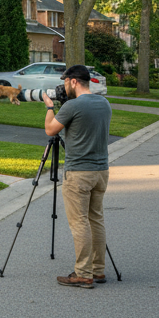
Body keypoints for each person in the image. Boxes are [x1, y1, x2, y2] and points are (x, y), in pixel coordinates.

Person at [43, 65, 113, 289]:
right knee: (96, 219)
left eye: (65, 82)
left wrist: (49, 107)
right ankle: (98, 270)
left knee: (79, 222)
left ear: (73, 81)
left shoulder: (72, 106)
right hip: (101, 171)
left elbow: (50, 130)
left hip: (79, 173)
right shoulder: (104, 103)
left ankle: (83, 273)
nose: (64, 86)